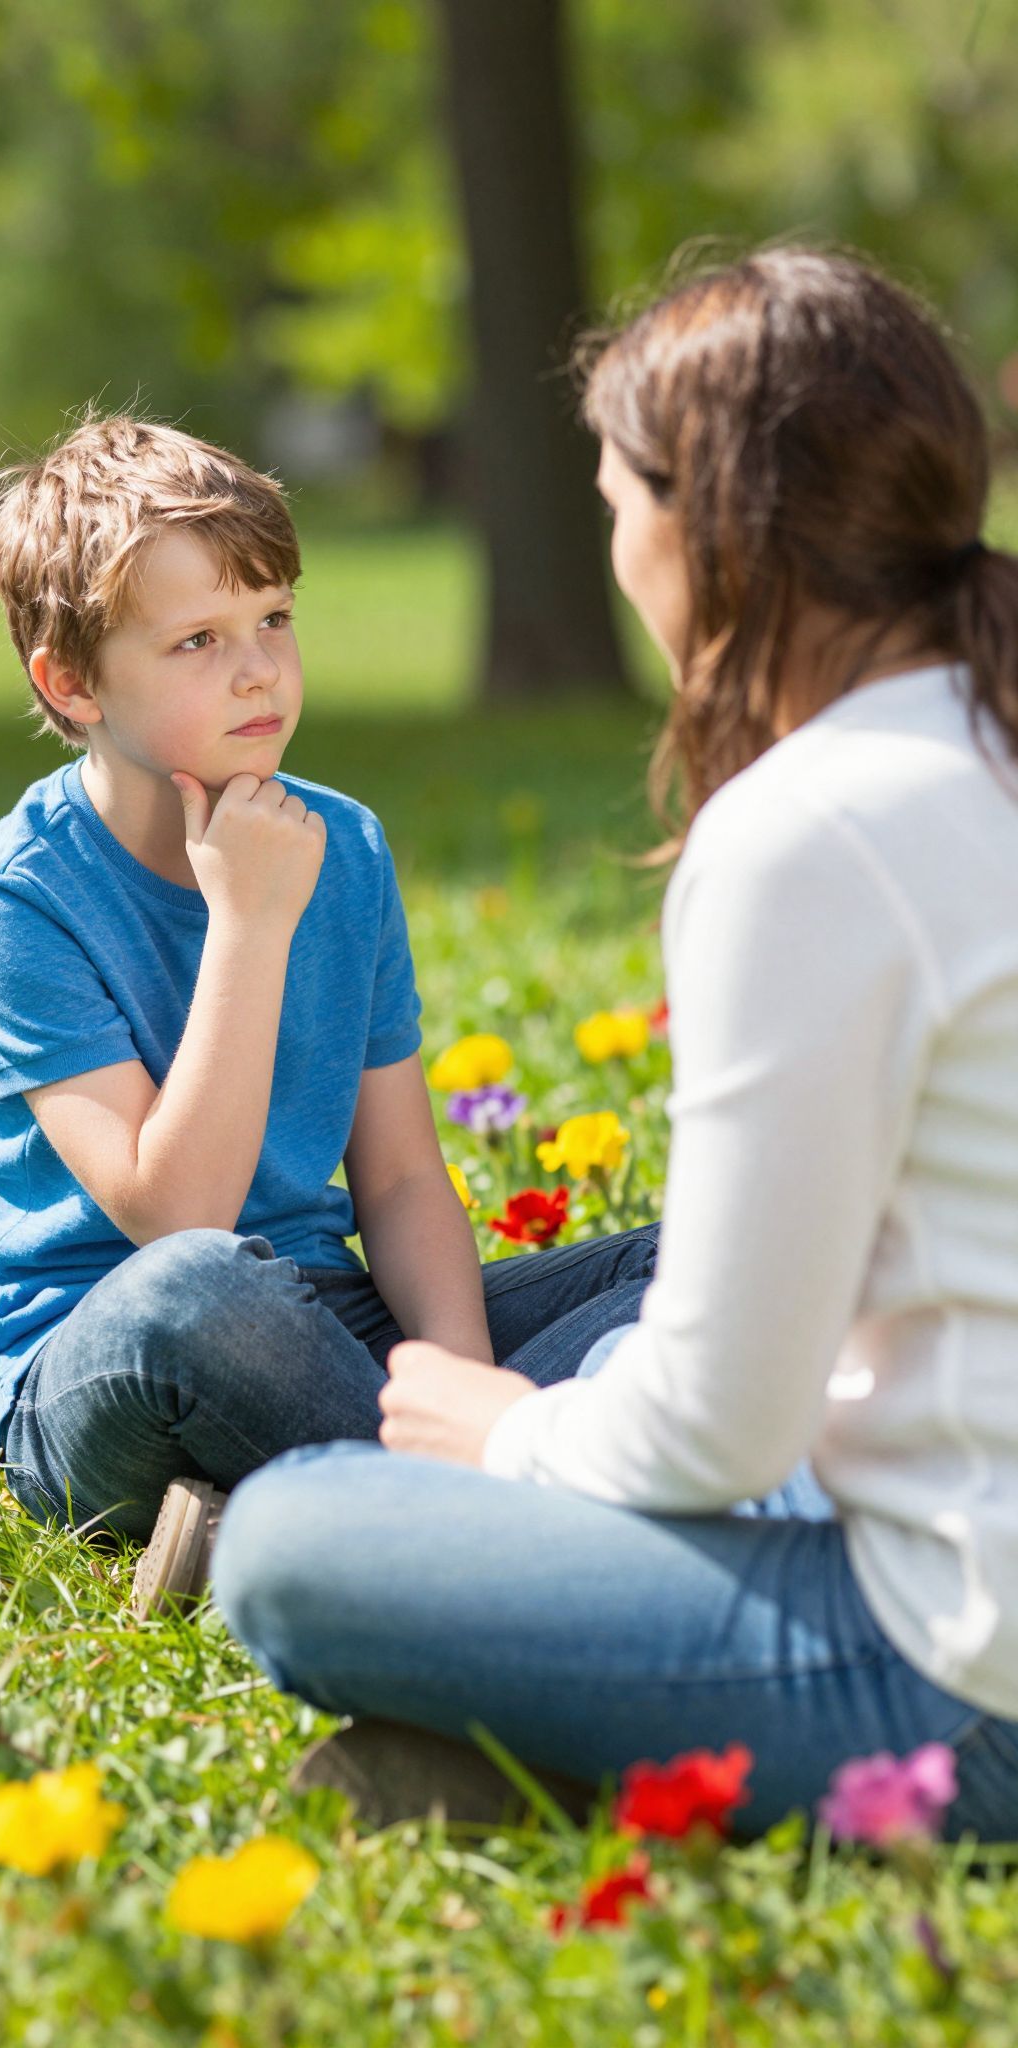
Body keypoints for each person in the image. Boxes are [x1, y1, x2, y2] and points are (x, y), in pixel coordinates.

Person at [212, 249, 1018, 1840]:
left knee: (293, 1541)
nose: (619, 547)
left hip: (960, 1680)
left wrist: (508, 1434)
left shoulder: (810, 832)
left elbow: (727, 1423)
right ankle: (564, 1744)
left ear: (704, 524)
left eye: (616, 502)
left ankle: (576, 1758)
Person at [0, 414, 660, 1618]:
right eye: (197, 640)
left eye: (274, 617)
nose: (260, 668)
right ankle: (510, 1536)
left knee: (673, 1262)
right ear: (69, 682)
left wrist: (462, 1389)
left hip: (322, 1315)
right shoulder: (14, 899)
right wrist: (249, 924)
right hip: (108, 1363)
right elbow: (177, 1220)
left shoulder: (349, 845)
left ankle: (352, 1504)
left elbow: (404, 1182)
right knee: (203, 1290)